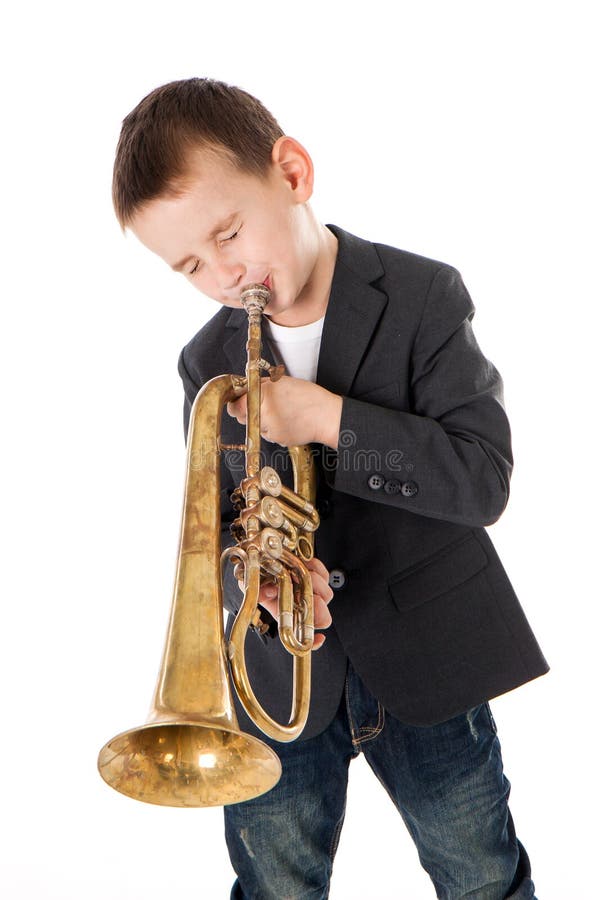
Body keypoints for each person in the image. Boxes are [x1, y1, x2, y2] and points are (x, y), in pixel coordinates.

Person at [111, 77, 549, 899]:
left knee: (480, 870)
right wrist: (263, 582)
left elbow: (481, 479)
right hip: (277, 674)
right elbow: (221, 529)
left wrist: (325, 417)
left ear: (293, 173)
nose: (223, 274)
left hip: (424, 659)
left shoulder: (424, 296)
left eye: (229, 232)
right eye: (192, 265)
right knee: (275, 882)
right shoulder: (205, 363)